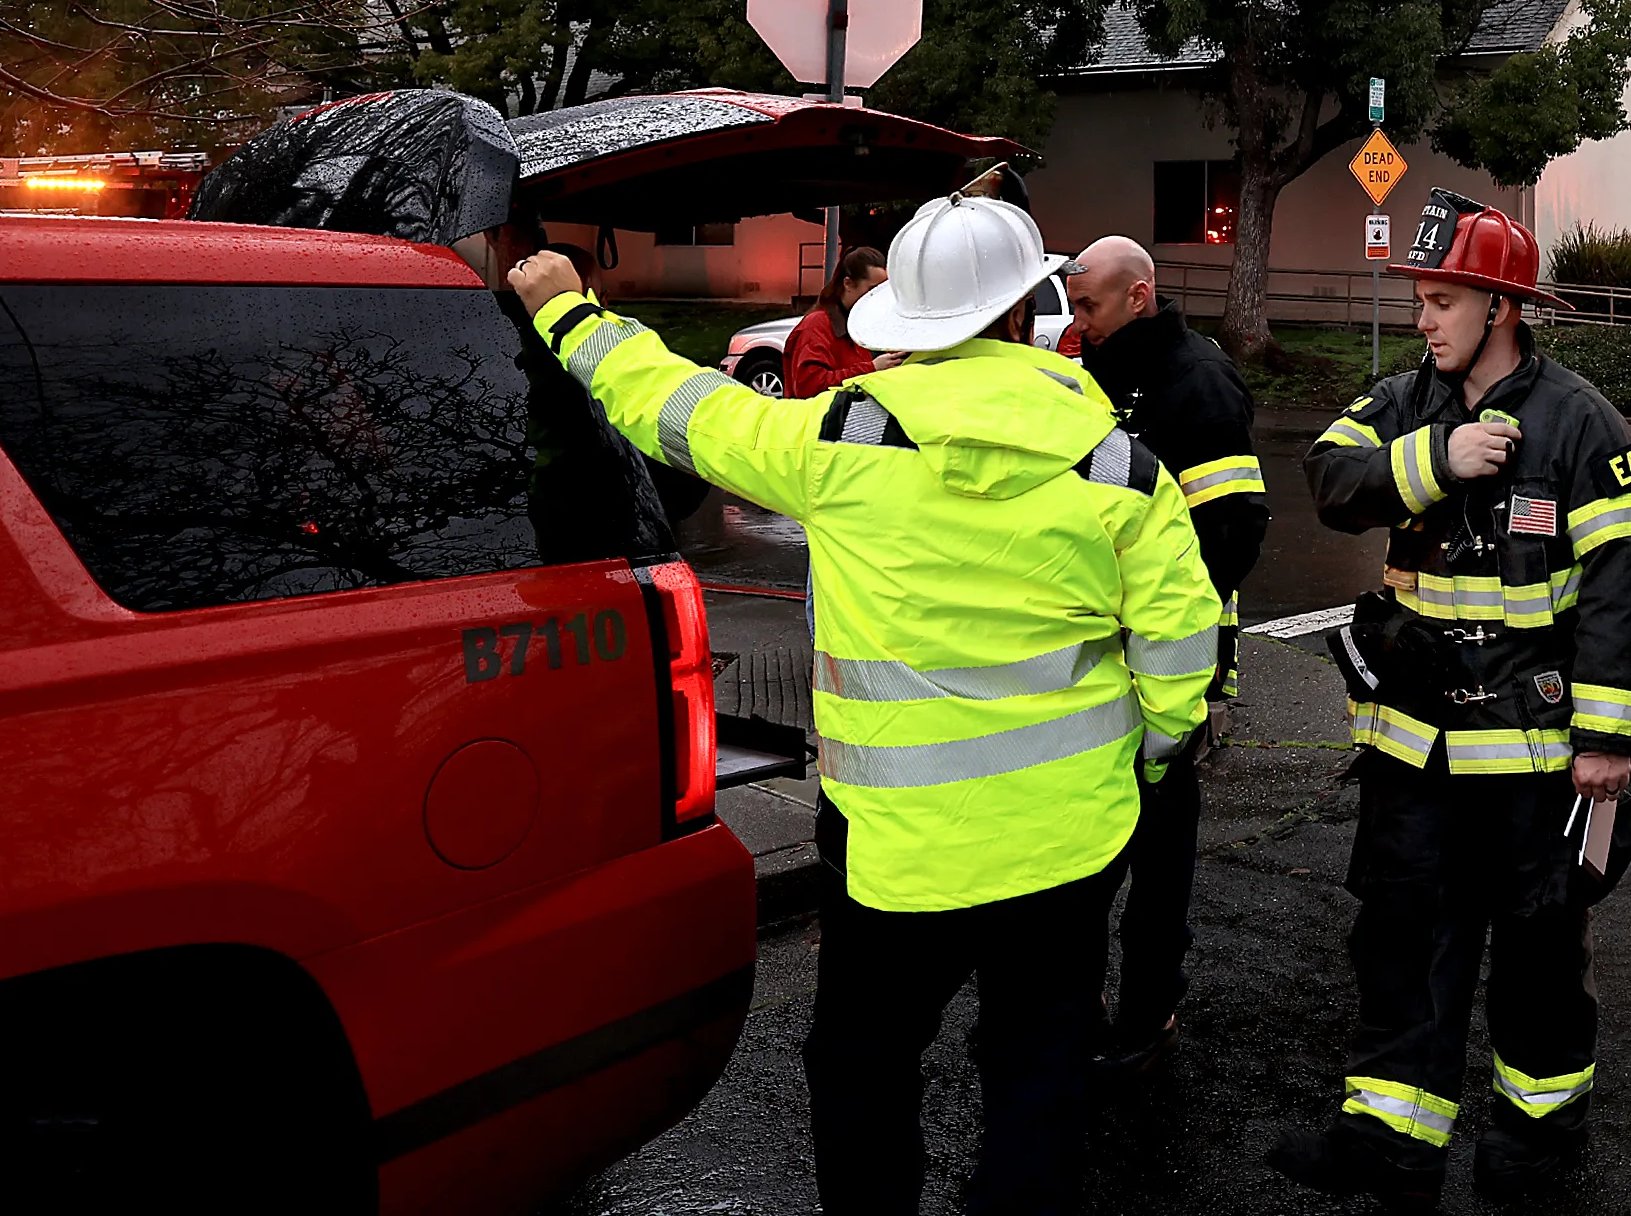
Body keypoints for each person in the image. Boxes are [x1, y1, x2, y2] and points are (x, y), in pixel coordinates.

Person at [505, 195, 1221, 1216]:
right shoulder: (1121, 467)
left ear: (909, 324)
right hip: (1068, 847)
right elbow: (1180, 652)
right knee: (1039, 1070)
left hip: (898, 858)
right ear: (1026, 312)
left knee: (862, 1066)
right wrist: (1143, 762)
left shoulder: (841, 444)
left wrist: (572, 315)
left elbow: (679, 407)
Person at [1268, 195, 1631, 1208]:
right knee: (1400, 939)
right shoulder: (1405, 402)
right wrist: (1432, 461)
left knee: (1537, 954)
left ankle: (1535, 1137)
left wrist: (1606, 739)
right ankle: (1390, 1140)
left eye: (1442, 300)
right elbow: (1328, 477)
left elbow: (1627, 575)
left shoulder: (1578, 419)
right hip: (1415, 752)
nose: (1423, 320)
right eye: (1421, 300)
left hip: (1535, 761)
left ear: (1501, 305)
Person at [1067, 234, 1269, 1072]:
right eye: (1074, 306)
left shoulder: (1198, 379)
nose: (1076, 323)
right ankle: (1069, 1004)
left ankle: (1149, 1011)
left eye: (1090, 306)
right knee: (1080, 847)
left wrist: (1159, 616)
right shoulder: (1089, 373)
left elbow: (1231, 529)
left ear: (1140, 295)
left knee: (1157, 846)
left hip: (1164, 662)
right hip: (1087, 656)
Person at [784, 242, 888, 400]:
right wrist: (872, 368)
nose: (878, 298)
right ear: (848, 284)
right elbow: (809, 387)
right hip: (819, 422)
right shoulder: (817, 325)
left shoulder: (861, 325)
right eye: (872, 290)